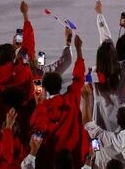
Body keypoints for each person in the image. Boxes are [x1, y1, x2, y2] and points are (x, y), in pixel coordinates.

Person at [29, 34, 86, 168]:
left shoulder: (42, 109)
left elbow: (35, 126)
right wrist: (79, 50)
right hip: (73, 161)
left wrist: (34, 72)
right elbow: (79, 79)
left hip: (49, 162)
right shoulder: (71, 100)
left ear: (45, 87)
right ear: (61, 85)